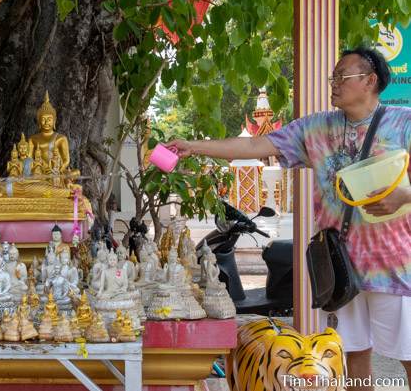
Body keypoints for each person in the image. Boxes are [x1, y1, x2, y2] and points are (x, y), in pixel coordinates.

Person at [166, 47, 410, 391]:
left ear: (370, 81)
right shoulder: (317, 128)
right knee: (352, 355)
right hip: (339, 267)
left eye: (342, 76)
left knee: (407, 355)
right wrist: (195, 146)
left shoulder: (404, 123)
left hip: (394, 266)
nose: (334, 83)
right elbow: (257, 146)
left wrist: (405, 196)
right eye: (333, 77)